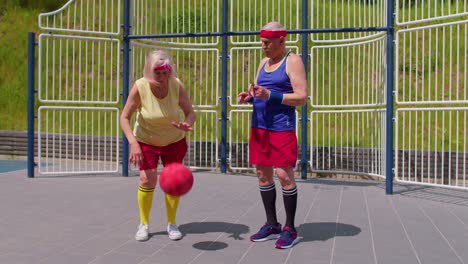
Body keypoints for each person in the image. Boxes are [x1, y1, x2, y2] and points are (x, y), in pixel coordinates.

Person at [237, 22, 308, 249]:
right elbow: (261, 92)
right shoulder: (263, 62)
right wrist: (251, 96)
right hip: (259, 127)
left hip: (281, 127)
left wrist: (270, 95)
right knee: (262, 174)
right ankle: (271, 224)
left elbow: (301, 97)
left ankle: (290, 228)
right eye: (262, 42)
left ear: (281, 41)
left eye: (267, 43)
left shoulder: (293, 61)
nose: (263, 46)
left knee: (284, 175)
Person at [120, 50, 196, 242]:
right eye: (157, 73)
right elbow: (124, 118)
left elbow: (190, 112)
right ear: (148, 71)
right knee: (147, 179)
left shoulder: (176, 85)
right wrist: (133, 144)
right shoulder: (140, 87)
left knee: (174, 181)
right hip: (146, 139)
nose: (162, 77)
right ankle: (143, 224)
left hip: (174, 140)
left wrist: (187, 123)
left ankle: (172, 223)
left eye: (165, 72)